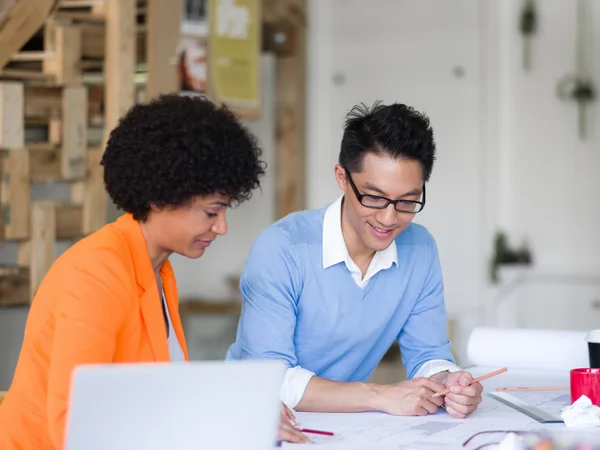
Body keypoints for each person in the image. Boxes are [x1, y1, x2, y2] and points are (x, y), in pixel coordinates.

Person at [0, 94, 309, 448]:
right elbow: (75, 426)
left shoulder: (156, 270)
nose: (222, 227)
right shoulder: (94, 275)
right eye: (211, 213)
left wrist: (242, 409)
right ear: (159, 197)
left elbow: (156, 395)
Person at [226, 101, 483, 418]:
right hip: (257, 418)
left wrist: (449, 383)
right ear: (342, 178)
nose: (388, 218)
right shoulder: (282, 248)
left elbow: (428, 353)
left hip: (342, 422)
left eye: (407, 201)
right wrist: (379, 395)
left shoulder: (420, 248)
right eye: (373, 197)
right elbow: (268, 377)